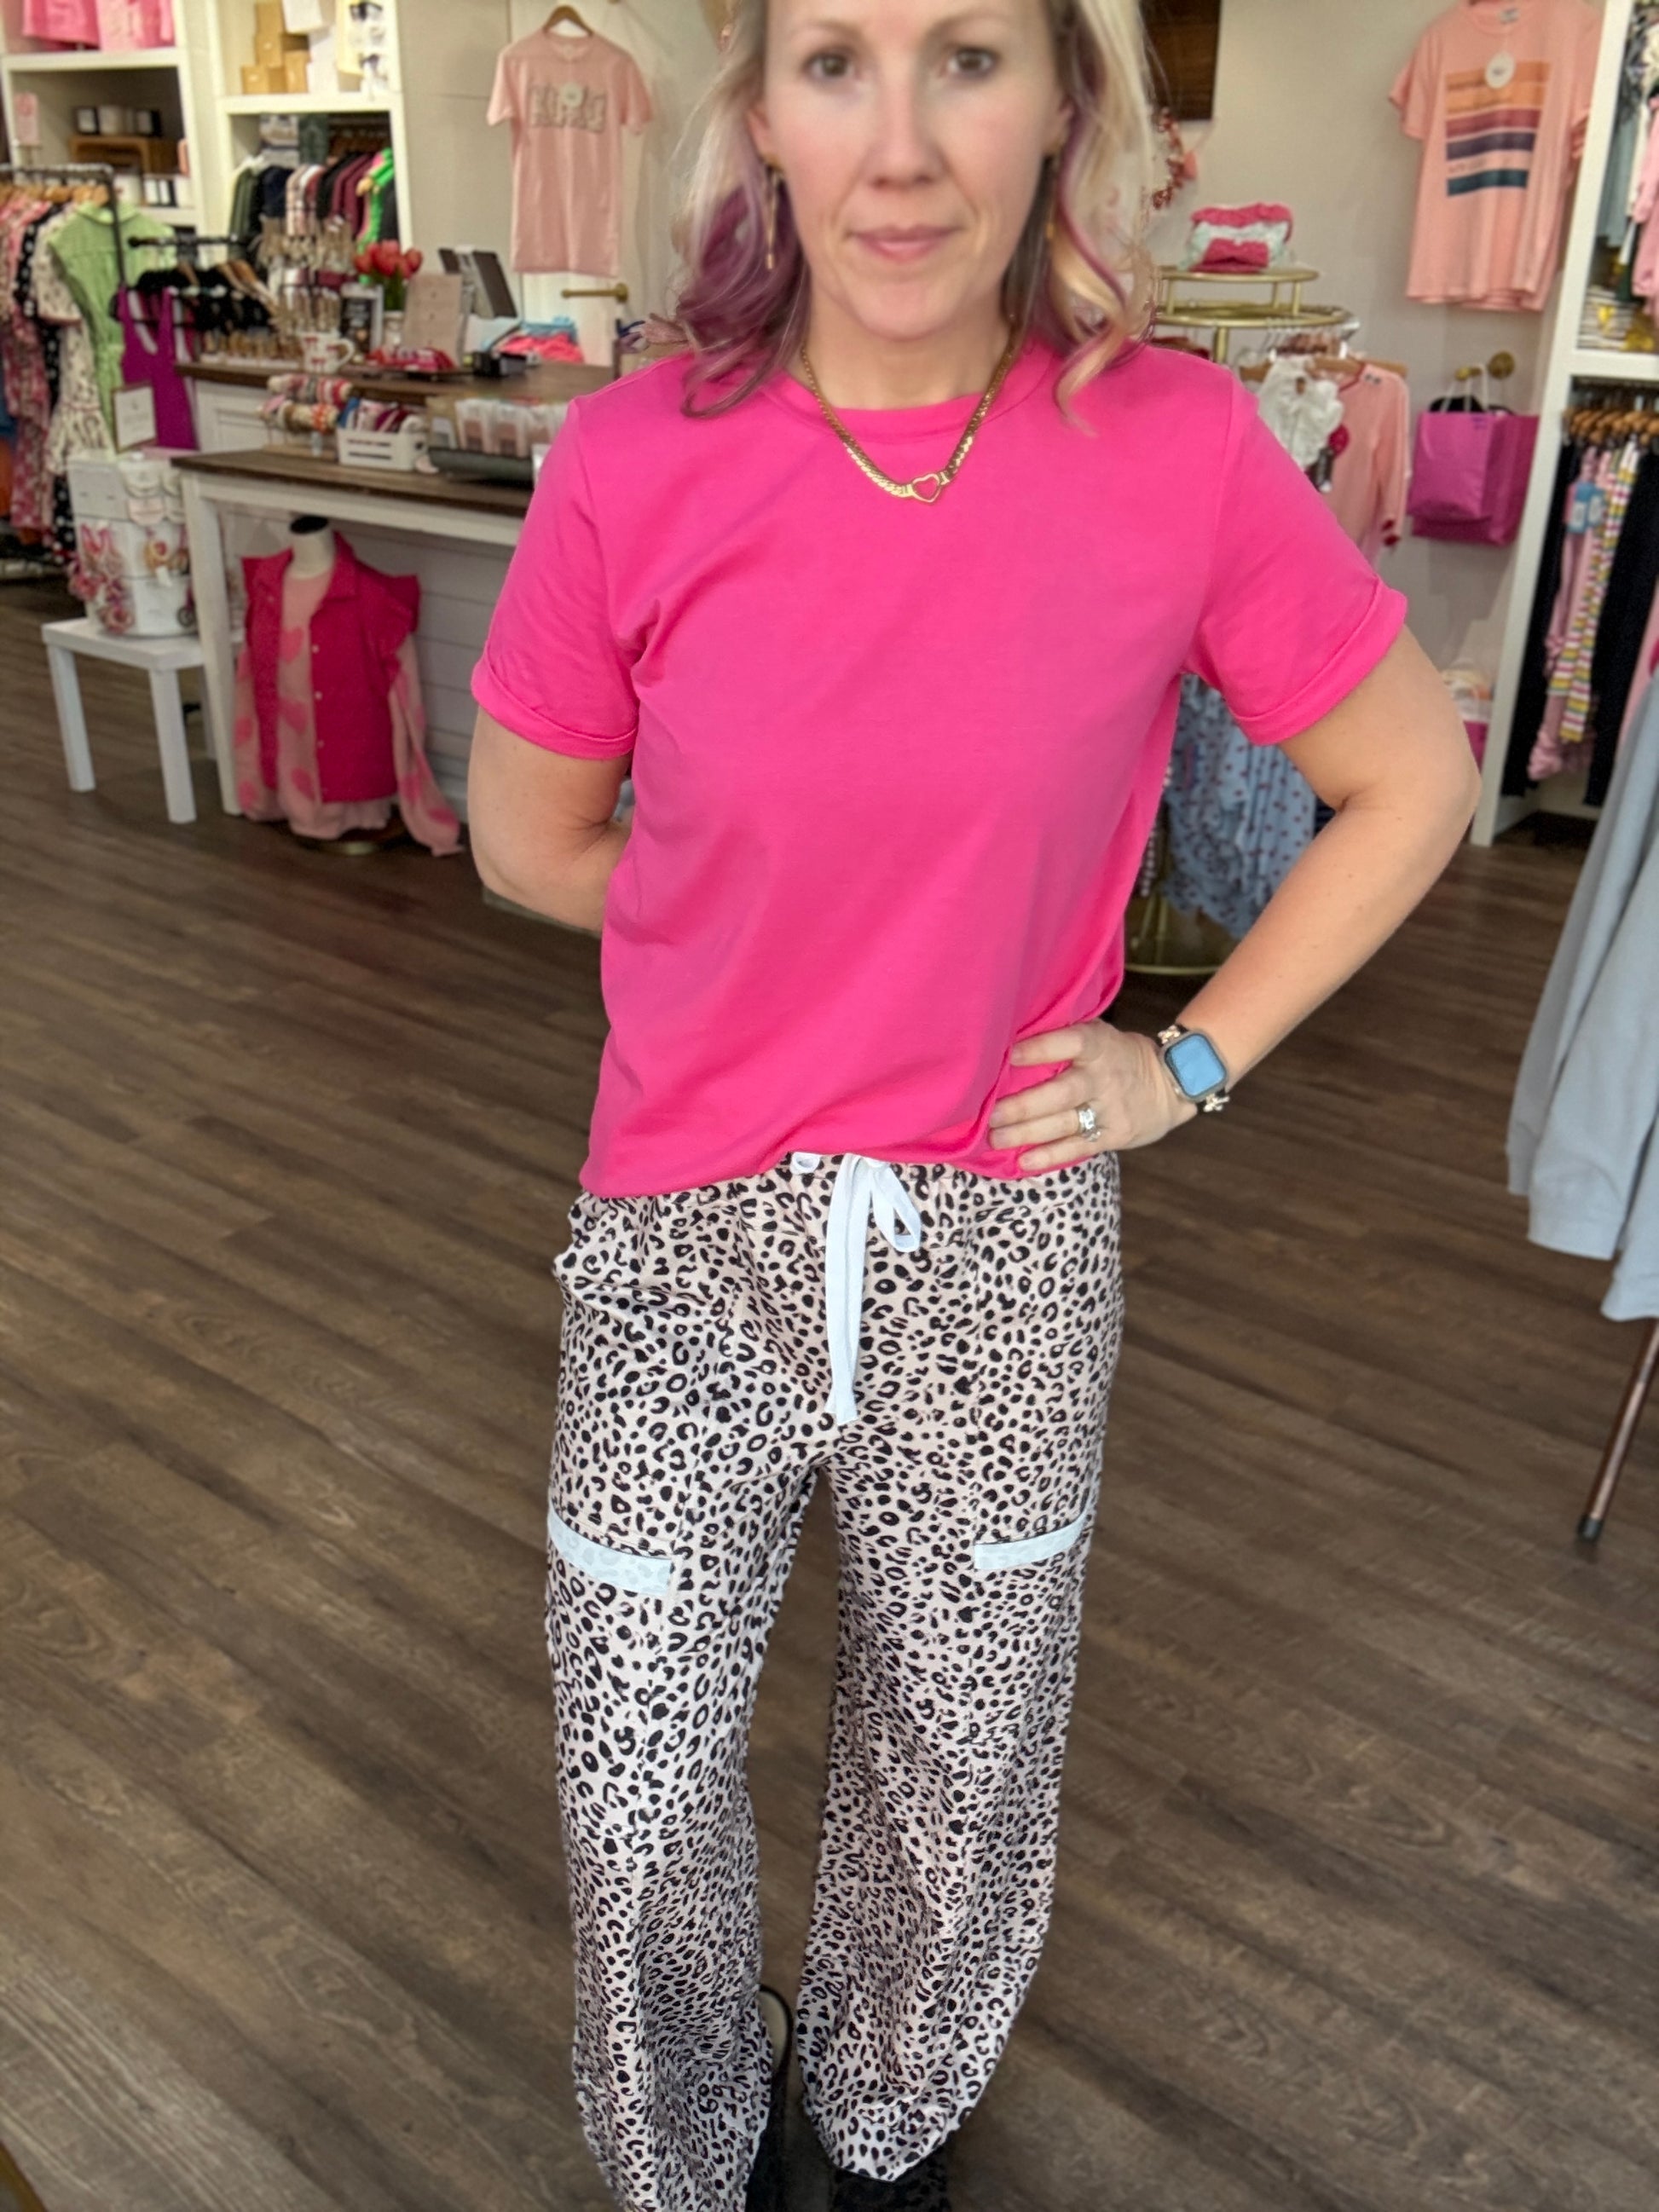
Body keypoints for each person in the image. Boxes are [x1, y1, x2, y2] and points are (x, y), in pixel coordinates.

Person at [465, 0, 1482, 2206]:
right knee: (635, 1776)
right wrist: (766, 936)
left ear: (1066, 99)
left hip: (1002, 1231)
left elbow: (1412, 782)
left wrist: (1183, 1062)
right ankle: (685, 2155)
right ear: (759, 111)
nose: (903, 143)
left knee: (964, 1752)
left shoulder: (1178, 448)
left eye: (967, 57)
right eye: (835, 61)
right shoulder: (630, 461)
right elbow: (528, 844)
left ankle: (883, 2121)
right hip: (683, 1229)